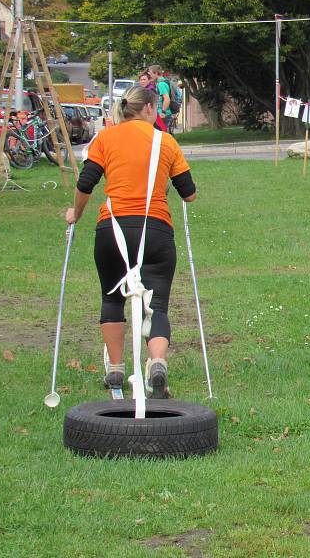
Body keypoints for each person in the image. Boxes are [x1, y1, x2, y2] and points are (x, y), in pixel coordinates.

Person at [64, 85, 197, 398]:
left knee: (112, 298)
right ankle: (157, 362)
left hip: (112, 229)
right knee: (158, 305)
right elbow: (188, 193)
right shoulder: (165, 141)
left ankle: (115, 368)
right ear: (149, 108)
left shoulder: (105, 138)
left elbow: (86, 182)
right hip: (156, 231)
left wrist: (76, 214)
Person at [148, 65, 172, 133]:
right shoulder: (162, 82)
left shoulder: (161, 84)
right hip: (162, 113)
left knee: (161, 136)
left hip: (163, 114)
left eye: (151, 73)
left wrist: (163, 112)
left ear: (156, 73)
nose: (150, 76)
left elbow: (167, 99)